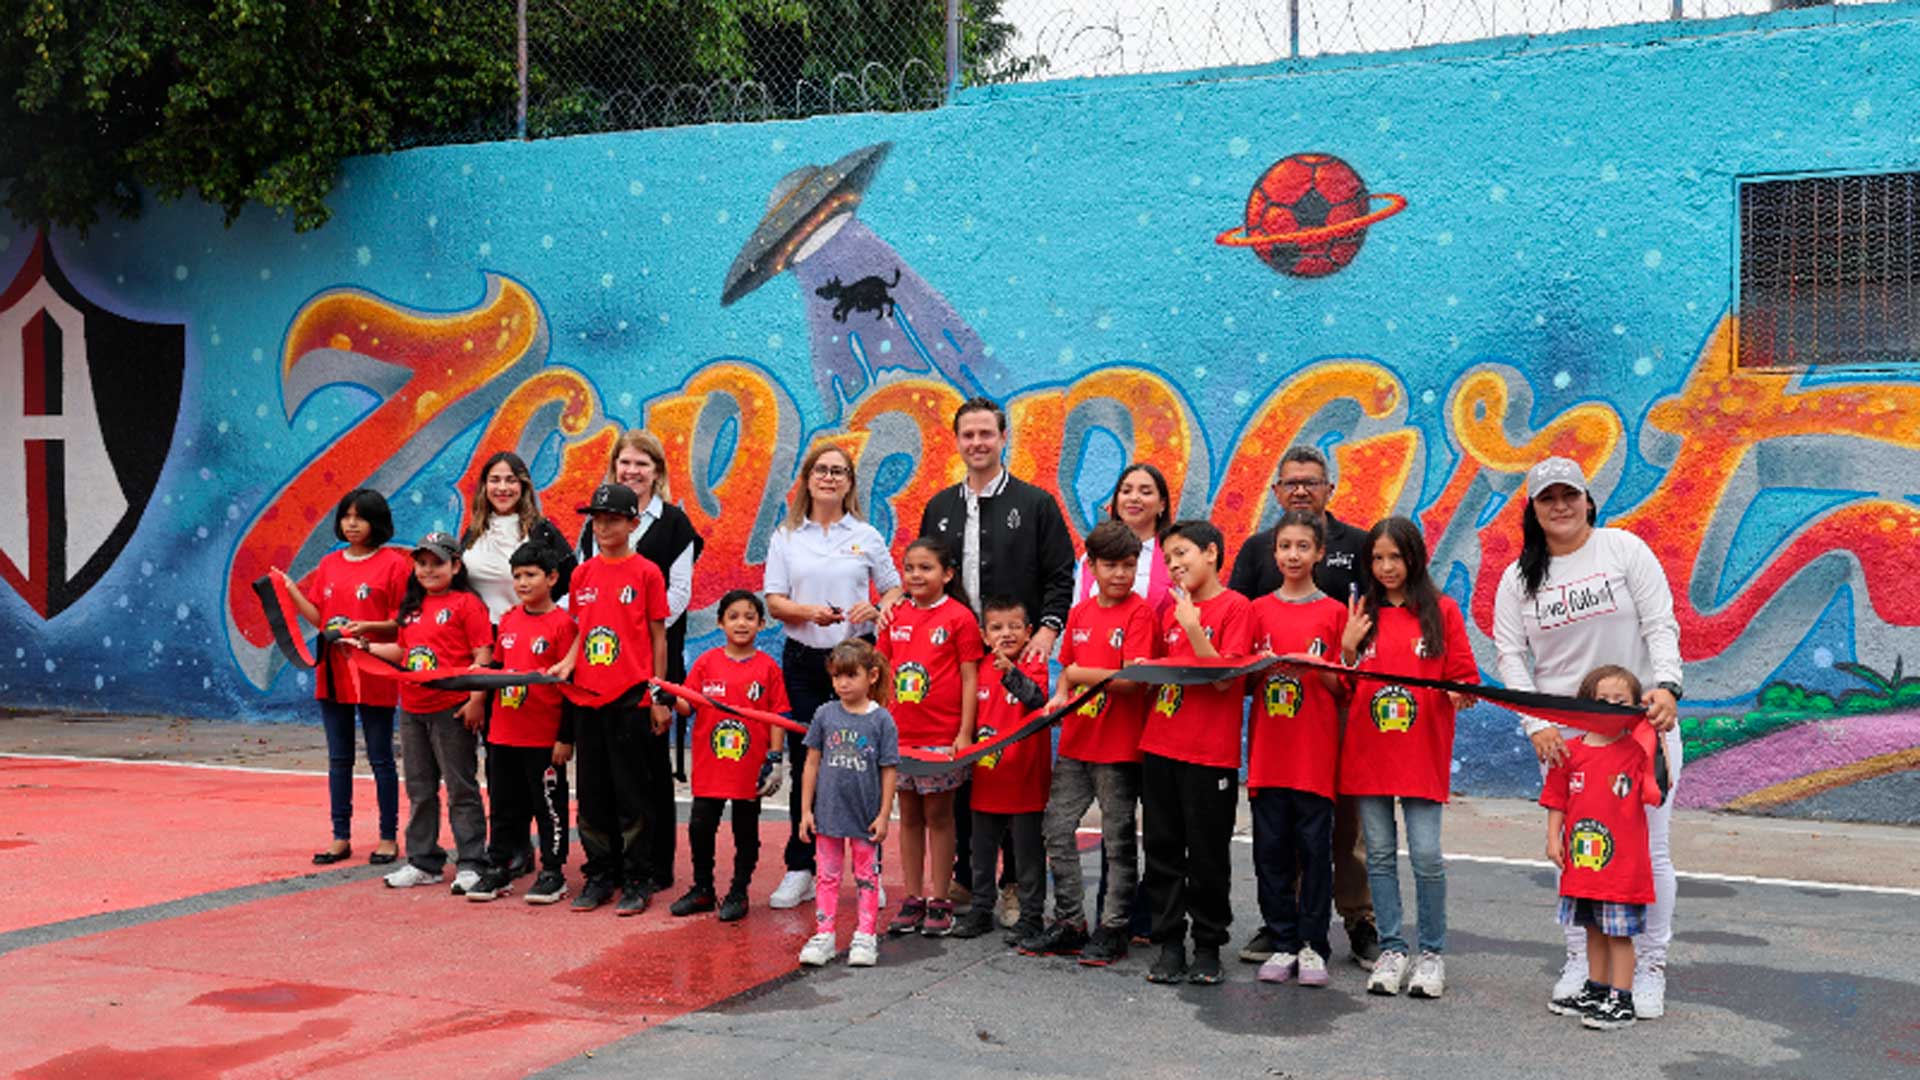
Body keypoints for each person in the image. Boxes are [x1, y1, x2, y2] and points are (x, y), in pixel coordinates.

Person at [1493, 455, 1684, 1020]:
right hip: (1566, 738)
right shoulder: (1518, 577)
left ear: (1588, 501)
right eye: (1548, 497)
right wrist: (1537, 723)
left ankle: (1649, 966)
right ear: (1532, 508)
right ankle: (1582, 961)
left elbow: (1660, 623)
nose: (1560, 505)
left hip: (1640, 730)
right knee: (1580, 851)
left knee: (1649, 851)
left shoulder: (1624, 550)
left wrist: (1669, 686)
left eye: (1569, 495)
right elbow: (1510, 654)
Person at [913, 395, 1075, 917]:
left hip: (1018, 654)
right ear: (957, 441)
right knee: (963, 759)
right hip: (957, 658)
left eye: (987, 433)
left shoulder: (1036, 504)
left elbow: (1060, 576)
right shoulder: (939, 507)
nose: (977, 443)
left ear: (1003, 438)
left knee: (1011, 763)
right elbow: (927, 576)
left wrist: (1048, 631)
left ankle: (1011, 884)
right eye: (968, 435)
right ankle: (967, 876)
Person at [1226, 444, 1378, 970]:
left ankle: (1358, 921)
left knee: (1343, 828)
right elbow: (1236, 624)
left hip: (1339, 703)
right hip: (1277, 712)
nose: (1300, 490)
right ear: (1276, 491)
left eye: (1310, 482)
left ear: (1329, 489)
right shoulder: (1255, 550)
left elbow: (1371, 621)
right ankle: (1282, 927)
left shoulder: (1358, 545)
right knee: (1282, 830)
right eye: (1290, 482)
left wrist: (1350, 663)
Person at [1338, 517, 1479, 1000]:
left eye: (1394, 557)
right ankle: (1393, 947)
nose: (1385, 567)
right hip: (1369, 754)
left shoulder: (1441, 611)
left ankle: (1432, 953)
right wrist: (1348, 649)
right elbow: (1343, 686)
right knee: (1377, 855)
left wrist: (1463, 694)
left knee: (1425, 856)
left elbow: (1463, 676)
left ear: (1414, 557)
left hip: (1421, 754)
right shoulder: (1361, 613)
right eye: (1376, 558)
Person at [763, 443, 903, 911]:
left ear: (849, 482)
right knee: (812, 762)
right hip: (804, 659)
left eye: (838, 471)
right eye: (821, 470)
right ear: (807, 478)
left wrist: (878, 606)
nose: (829, 477)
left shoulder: (866, 534)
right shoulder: (786, 535)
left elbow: (895, 589)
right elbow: (775, 600)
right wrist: (808, 613)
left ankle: (869, 867)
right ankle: (801, 866)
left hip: (858, 660)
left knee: (859, 764)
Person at [1028, 520, 1159, 963]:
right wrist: (1061, 695)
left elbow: (1131, 682)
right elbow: (1067, 669)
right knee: (1056, 830)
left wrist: (1082, 676)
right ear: (1093, 567)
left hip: (1119, 749)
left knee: (1118, 841)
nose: (1119, 574)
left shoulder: (1141, 613)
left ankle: (1115, 928)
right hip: (1076, 742)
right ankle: (1069, 921)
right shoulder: (1080, 612)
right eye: (1110, 565)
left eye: (1128, 565)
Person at [578, 431, 702, 894]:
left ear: (658, 471)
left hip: (649, 661)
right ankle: (605, 867)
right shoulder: (594, 525)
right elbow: (584, 598)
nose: (633, 470)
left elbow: (678, 596)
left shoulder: (673, 525)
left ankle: (650, 867)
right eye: (625, 463)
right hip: (600, 669)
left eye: (642, 464)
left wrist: (634, 625)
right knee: (601, 777)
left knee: (646, 774)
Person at [548, 483, 671, 916]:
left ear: (632, 523)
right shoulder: (582, 574)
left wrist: (659, 695)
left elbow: (658, 636)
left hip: (631, 698)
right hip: (587, 698)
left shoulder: (647, 573)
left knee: (632, 794)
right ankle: (600, 874)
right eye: (597, 519)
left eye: (613, 518)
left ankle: (638, 878)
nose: (603, 526)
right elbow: (581, 631)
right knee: (594, 794)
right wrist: (567, 662)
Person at [1139, 520, 1253, 987]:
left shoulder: (1236, 607)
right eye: (1168, 559)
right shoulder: (1169, 612)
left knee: (1207, 855)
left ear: (1211, 552)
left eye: (1182, 552)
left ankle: (1208, 945)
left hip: (1210, 756)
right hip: (1160, 746)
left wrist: (1194, 628)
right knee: (1162, 850)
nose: (1175, 564)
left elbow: (1225, 679)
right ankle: (1169, 942)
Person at [271, 488, 410, 867]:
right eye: (346, 516)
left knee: (381, 757)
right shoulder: (330, 564)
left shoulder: (395, 565)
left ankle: (387, 836)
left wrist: (366, 628)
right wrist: (289, 592)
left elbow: (402, 623)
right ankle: (340, 836)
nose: (352, 523)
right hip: (332, 671)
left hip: (374, 669)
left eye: (360, 517)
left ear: (376, 522)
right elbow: (319, 617)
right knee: (339, 758)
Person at [1247, 511, 1350, 988]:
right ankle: (1283, 940)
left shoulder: (1334, 613)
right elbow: (1243, 682)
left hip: (1313, 757)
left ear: (1319, 553)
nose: (1293, 555)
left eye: (1303, 547)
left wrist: (1323, 661)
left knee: (1314, 853)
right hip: (1269, 757)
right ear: (1275, 552)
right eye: (1285, 546)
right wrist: (1260, 665)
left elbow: (1341, 687)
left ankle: (1313, 945)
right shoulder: (1258, 611)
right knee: (1271, 854)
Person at [359, 532, 494, 894]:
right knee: (419, 789)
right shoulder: (412, 607)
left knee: (460, 787)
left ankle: (471, 862)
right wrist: (363, 646)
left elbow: (483, 656)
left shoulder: (467, 604)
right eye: (422, 563)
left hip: (451, 710)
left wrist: (477, 699)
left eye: (437, 563)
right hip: (412, 708)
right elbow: (404, 653)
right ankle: (424, 861)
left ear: (456, 566)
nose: (429, 570)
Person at [1543, 666, 1664, 1031]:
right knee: (1592, 930)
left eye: (1620, 701)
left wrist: (1652, 729)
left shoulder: (1637, 752)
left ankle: (1621, 999)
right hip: (1583, 866)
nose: (1611, 706)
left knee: (1618, 934)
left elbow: (1658, 788)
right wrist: (1552, 839)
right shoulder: (1570, 752)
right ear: (1585, 705)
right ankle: (1596, 990)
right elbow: (1556, 800)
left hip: (1621, 867)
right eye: (1602, 700)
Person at [879, 537, 983, 937]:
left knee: (940, 816)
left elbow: (970, 677)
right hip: (900, 737)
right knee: (908, 816)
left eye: (926, 568)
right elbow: (882, 674)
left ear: (948, 574)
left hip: (941, 738)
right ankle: (912, 897)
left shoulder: (959, 618)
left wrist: (963, 733)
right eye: (910, 568)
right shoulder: (895, 615)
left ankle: (940, 898)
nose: (916, 575)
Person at [465, 541, 577, 905]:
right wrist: (478, 679)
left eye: (531, 575)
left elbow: (571, 688)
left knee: (548, 809)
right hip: (503, 735)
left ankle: (552, 872)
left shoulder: (563, 626)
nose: (523, 583)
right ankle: (498, 868)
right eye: (517, 576)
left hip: (542, 738)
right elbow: (498, 668)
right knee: (502, 806)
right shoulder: (510, 619)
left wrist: (565, 738)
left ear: (553, 578)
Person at [670, 590, 790, 922]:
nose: (742, 623)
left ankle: (739, 890)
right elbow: (687, 705)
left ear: (762, 624)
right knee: (700, 827)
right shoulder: (706, 663)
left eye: (750, 617)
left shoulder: (768, 669)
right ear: (720, 622)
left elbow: (778, 716)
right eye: (734, 616)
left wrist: (775, 759)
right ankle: (703, 888)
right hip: (710, 768)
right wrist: (666, 698)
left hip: (748, 769)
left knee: (746, 831)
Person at [950, 597, 1051, 944]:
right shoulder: (976, 667)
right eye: (996, 627)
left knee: (1027, 853)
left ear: (1028, 632)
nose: (1005, 633)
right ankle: (981, 909)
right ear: (983, 633)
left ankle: (1032, 915)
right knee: (981, 850)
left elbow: (1037, 699)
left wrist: (1011, 671)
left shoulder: (1034, 663)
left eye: (1013, 626)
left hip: (1025, 779)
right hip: (987, 778)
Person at [797, 639, 901, 968]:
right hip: (827, 815)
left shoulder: (881, 720)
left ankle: (866, 935)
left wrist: (884, 815)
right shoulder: (824, 715)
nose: (842, 683)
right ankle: (824, 933)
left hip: (864, 817)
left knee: (867, 876)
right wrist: (805, 811)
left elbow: (888, 770)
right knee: (826, 877)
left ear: (871, 676)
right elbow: (811, 763)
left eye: (850, 675)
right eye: (837, 676)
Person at [459, 450, 576, 623]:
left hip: (525, 637)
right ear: (485, 486)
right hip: (477, 638)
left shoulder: (542, 531)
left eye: (511, 480)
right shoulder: (473, 532)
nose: (503, 488)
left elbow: (572, 580)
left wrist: (544, 619)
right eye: (495, 480)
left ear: (523, 486)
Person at [1071, 463, 1175, 614]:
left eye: (1145, 492)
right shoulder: (1091, 557)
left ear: (1162, 505)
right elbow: (1077, 614)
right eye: (1126, 491)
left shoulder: (1173, 557)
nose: (1134, 498)